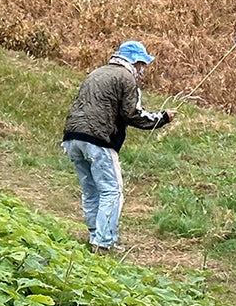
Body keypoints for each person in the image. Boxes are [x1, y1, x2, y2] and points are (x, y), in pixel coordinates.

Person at [62, 40, 176, 254]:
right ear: (134, 61)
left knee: (91, 191)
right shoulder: (126, 78)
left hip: (72, 138)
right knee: (111, 192)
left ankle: (95, 236)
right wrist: (162, 118)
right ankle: (104, 244)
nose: (143, 70)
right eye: (142, 64)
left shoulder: (97, 72)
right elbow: (132, 114)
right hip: (99, 141)